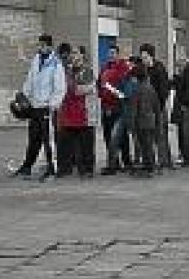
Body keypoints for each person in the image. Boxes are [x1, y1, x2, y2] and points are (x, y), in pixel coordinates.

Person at [15, 34, 64, 179]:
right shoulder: (36, 60)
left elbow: (60, 87)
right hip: (35, 105)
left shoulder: (56, 63)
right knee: (33, 138)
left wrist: (53, 104)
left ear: (50, 46)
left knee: (48, 140)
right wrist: (23, 95)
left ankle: (52, 167)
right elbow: (30, 79)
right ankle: (27, 166)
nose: (40, 48)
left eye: (43, 45)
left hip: (47, 107)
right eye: (39, 45)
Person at [56, 45, 97, 177]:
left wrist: (71, 86)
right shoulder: (65, 71)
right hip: (67, 113)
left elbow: (84, 89)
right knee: (64, 143)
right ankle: (64, 168)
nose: (72, 56)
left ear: (82, 56)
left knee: (86, 145)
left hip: (83, 114)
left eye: (76, 53)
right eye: (72, 53)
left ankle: (87, 169)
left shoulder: (88, 71)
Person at [98, 49, 136, 175]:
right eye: (109, 54)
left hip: (119, 108)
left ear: (118, 55)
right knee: (108, 136)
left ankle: (125, 162)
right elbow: (100, 85)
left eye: (113, 53)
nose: (110, 56)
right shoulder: (104, 68)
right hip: (106, 107)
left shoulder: (124, 69)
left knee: (120, 137)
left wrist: (113, 92)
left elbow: (126, 91)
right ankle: (115, 163)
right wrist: (102, 95)